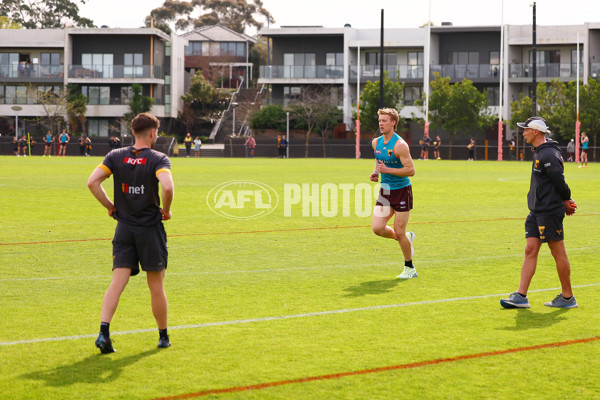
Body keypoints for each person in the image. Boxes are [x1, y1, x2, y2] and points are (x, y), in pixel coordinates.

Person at [87, 112, 174, 353]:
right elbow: (167, 186)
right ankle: (163, 336)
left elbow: (92, 182)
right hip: (150, 229)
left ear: (133, 132)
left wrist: (110, 206)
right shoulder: (158, 158)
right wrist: (166, 211)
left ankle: (104, 333)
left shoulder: (115, 156)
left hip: (124, 228)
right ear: (152, 133)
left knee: (117, 282)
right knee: (156, 284)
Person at [501, 117, 578, 309]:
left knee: (557, 252)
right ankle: (521, 296)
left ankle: (568, 298)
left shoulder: (548, 154)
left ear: (536, 131)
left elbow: (559, 181)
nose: (523, 133)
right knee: (530, 249)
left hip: (549, 212)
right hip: (536, 211)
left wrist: (566, 200)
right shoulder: (540, 152)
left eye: (526, 130)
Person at [370, 108, 417, 279]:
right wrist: (376, 172)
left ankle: (409, 268)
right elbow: (378, 158)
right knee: (377, 228)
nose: (381, 123)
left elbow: (411, 170)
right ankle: (405, 239)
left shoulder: (400, 145)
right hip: (385, 191)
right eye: (380, 120)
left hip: (402, 192)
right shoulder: (376, 142)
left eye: (384, 120)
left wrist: (388, 169)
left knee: (399, 230)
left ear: (393, 123)